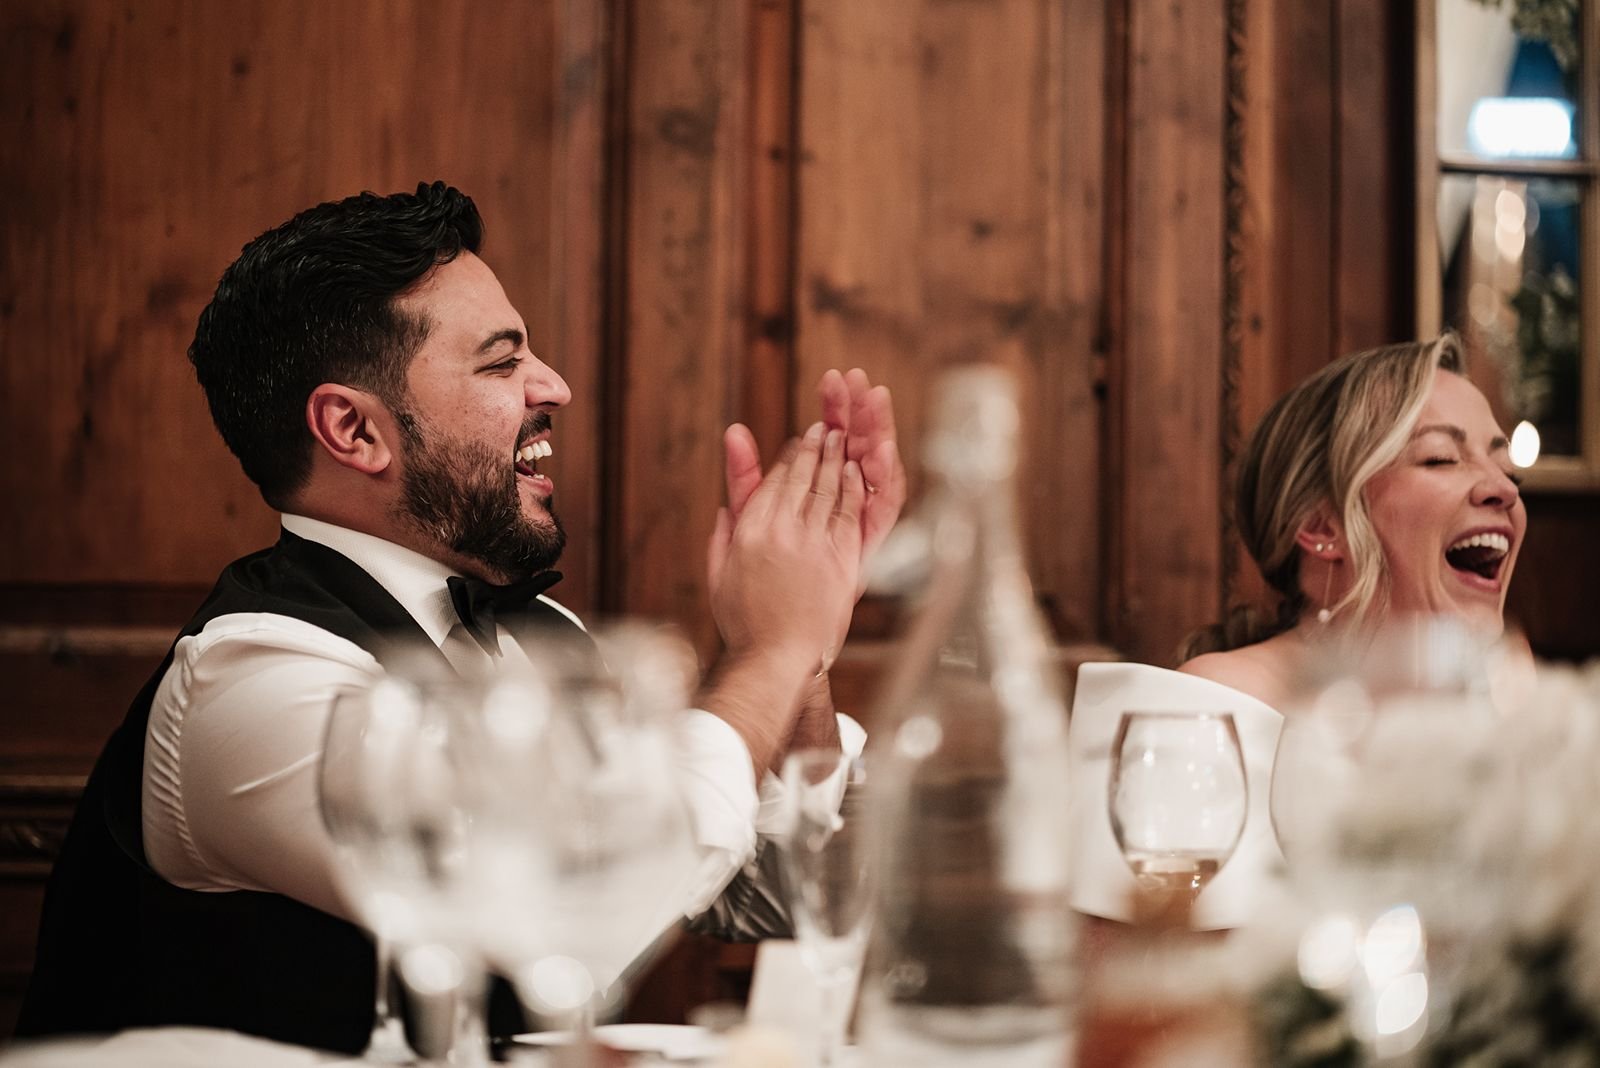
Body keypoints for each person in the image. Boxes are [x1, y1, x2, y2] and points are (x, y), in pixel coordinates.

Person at [16, 182, 906, 1051]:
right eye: (501, 361)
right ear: (354, 431)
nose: (554, 385)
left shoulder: (545, 640)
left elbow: (767, 898)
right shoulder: (245, 687)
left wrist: (806, 647)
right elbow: (578, 921)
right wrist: (771, 648)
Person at [1069, 333, 1526, 928]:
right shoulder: (1208, 708)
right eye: (1440, 458)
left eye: (1507, 468)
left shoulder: (1502, 711)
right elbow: (1147, 967)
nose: (1504, 490)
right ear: (1321, 525)